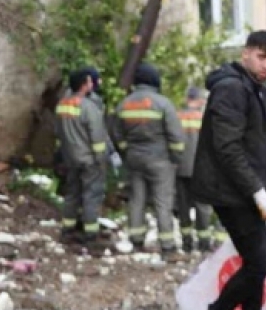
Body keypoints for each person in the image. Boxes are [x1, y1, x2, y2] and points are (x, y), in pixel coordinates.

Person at [186, 30, 266, 310]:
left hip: (247, 191)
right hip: (232, 192)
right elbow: (227, 147)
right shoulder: (232, 88)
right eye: (261, 56)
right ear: (245, 53)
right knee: (258, 263)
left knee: (256, 265)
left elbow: (258, 146)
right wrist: (257, 190)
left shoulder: (255, 87)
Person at [113, 63, 185, 254]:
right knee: (163, 201)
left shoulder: (124, 104)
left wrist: (126, 151)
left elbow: (117, 133)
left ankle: (136, 240)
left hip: (134, 159)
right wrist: (176, 158)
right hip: (160, 160)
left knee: (137, 200)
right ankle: (167, 246)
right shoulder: (163, 104)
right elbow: (176, 137)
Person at [56, 68, 109, 245]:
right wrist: (101, 160)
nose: (92, 84)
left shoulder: (62, 104)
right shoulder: (88, 107)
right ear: (84, 84)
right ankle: (90, 234)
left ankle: (67, 230)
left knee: (72, 194)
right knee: (91, 196)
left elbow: (58, 131)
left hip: (70, 158)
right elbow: (97, 137)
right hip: (89, 160)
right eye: (89, 81)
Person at [175, 87, 215, 253]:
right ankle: (204, 242)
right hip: (201, 169)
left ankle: (186, 242)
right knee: (203, 206)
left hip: (180, 168)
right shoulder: (206, 118)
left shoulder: (176, 116)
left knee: (183, 207)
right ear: (199, 100)